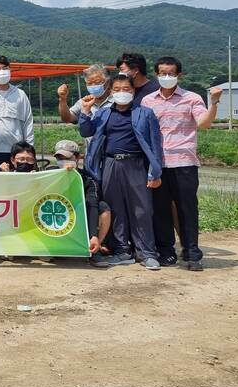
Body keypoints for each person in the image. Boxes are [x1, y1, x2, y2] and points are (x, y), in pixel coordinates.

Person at [141, 56, 222, 270]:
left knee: (187, 209)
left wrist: (214, 103)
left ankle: (192, 253)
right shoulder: (148, 101)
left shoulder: (192, 98)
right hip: (157, 165)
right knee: (160, 210)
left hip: (184, 163)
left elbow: (204, 123)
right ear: (156, 75)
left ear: (179, 75)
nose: (166, 77)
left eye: (171, 73)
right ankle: (166, 252)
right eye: (162, 73)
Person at [79, 73, 163, 270]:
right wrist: (85, 111)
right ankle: (122, 251)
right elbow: (86, 131)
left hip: (135, 165)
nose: (122, 93)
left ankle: (147, 253)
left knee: (141, 210)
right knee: (115, 210)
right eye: (117, 90)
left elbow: (155, 145)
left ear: (134, 91)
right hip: (110, 165)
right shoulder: (103, 113)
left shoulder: (145, 113)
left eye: (126, 89)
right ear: (110, 92)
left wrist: (154, 172)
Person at [53, 140, 112, 267]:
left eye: (67, 157)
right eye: (59, 157)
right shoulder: (48, 173)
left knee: (103, 207)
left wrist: (94, 235)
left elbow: (93, 206)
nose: (62, 161)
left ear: (78, 158)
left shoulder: (89, 181)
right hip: (56, 218)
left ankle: (94, 249)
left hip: (80, 219)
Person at [57, 64, 113, 131]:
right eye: (89, 83)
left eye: (97, 82)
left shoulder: (117, 101)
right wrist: (62, 99)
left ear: (108, 82)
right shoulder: (84, 102)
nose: (93, 86)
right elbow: (67, 118)